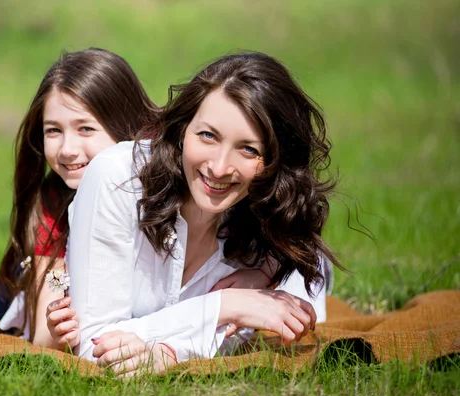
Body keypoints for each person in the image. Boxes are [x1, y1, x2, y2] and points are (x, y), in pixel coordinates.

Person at [63, 51, 341, 376]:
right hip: (45, 279)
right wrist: (227, 306)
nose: (219, 168)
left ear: (276, 162)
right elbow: (92, 345)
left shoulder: (262, 214)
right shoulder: (116, 177)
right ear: (183, 129)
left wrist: (169, 352)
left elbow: (305, 280)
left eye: (248, 149)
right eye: (208, 136)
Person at [0, 48, 278, 351]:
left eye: (85, 128)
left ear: (123, 124)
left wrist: (262, 273)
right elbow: (52, 274)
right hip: (25, 287)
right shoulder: (53, 201)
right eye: (53, 131)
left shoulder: (151, 172)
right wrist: (55, 314)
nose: (67, 149)